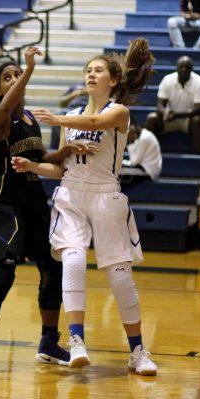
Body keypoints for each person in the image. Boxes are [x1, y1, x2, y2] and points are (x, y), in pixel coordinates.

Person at [27, 39, 158, 376]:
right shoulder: (70, 117)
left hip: (105, 195)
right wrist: (33, 167)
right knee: (71, 259)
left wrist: (56, 120)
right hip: (71, 192)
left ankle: (138, 351)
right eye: (87, 70)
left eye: (97, 70)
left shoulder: (118, 112)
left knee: (119, 275)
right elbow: (59, 168)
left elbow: (98, 125)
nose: (90, 74)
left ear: (112, 80)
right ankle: (76, 340)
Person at [0, 49, 92, 374]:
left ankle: (48, 341)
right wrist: (30, 68)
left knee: (52, 268)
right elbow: (5, 108)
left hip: (33, 202)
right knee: (4, 273)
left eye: (18, 74)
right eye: (8, 77)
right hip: (5, 204)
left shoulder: (30, 119)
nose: (15, 79)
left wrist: (66, 151)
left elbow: (42, 155)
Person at [145, 55, 200, 153]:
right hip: (170, 118)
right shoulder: (167, 80)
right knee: (152, 118)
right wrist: (165, 113)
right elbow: (160, 104)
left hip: (189, 119)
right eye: (181, 67)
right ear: (176, 68)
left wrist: (177, 115)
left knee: (198, 121)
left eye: (187, 67)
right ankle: (148, 154)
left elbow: (199, 109)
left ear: (191, 69)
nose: (184, 69)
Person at [120, 118, 163, 185]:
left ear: (132, 126)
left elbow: (134, 162)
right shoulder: (142, 136)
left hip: (149, 172)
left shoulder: (144, 138)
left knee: (119, 177)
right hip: (144, 168)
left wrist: (131, 142)